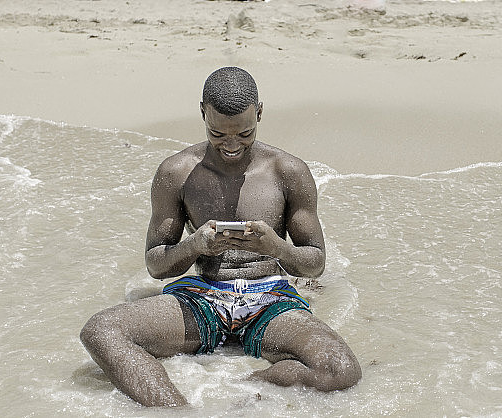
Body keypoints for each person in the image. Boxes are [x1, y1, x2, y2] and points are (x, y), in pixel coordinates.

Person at [79, 67, 361, 407]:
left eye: (244, 133)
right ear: (202, 112)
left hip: (271, 300)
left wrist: (276, 247)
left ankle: (240, 391)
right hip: (203, 296)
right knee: (101, 331)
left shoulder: (287, 171)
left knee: (340, 370)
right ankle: (177, 411)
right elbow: (156, 265)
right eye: (217, 133)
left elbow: (314, 264)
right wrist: (195, 244)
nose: (231, 145)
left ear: (259, 112)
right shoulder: (177, 172)